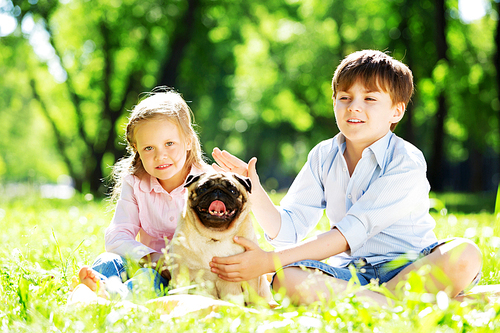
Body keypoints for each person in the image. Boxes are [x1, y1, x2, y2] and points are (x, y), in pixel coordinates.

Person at [209, 50, 482, 305]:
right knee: (287, 277)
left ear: (396, 111)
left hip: (411, 267)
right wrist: (252, 190)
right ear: (334, 102)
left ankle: (377, 303)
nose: (354, 107)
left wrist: (269, 262)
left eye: (370, 99)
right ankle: (391, 305)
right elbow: (289, 230)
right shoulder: (323, 155)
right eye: (345, 97)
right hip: (350, 274)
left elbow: (348, 233)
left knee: (465, 254)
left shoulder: (405, 160)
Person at [76, 87, 211, 300]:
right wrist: (153, 257)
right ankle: (90, 293)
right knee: (107, 260)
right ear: (136, 149)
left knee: (147, 279)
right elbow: (117, 237)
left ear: (188, 141)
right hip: (143, 261)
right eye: (149, 148)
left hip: (185, 276)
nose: (160, 155)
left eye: (169, 144)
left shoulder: (209, 184)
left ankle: (113, 297)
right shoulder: (136, 182)